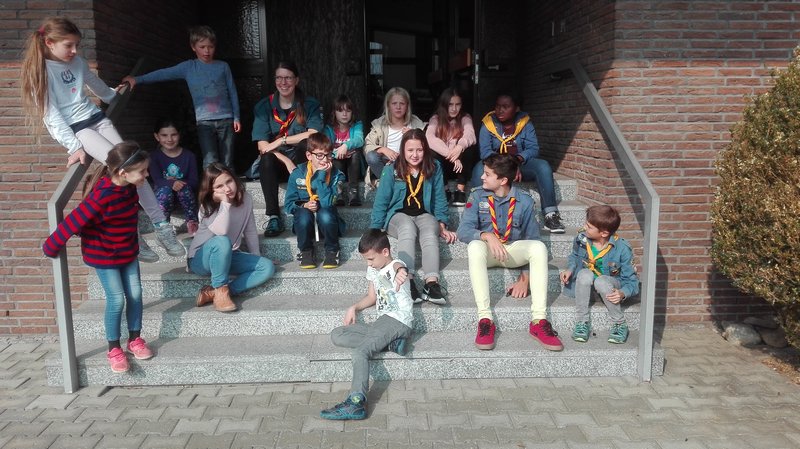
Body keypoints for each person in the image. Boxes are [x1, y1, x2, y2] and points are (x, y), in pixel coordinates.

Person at [20, 17, 185, 263]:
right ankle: (134, 233)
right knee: (126, 169)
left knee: (135, 167)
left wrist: (113, 94)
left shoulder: (77, 62)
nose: (74, 51)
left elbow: (95, 83)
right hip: (79, 130)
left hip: (97, 119)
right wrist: (74, 146)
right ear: (49, 43)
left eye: (76, 45)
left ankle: (161, 226)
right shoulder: (41, 72)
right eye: (68, 45)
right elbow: (50, 115)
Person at [43, 142, 154, 373]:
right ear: (123, 172)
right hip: (104, 255)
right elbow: (74, 221)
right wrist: (51, 246)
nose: (146, 174)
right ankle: (114, 348)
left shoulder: (129, 189)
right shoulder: (102, 196)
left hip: (127, 252)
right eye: (142, 170)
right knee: (117, 299)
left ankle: (134, 339)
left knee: (135, 294)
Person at [457, 153, 563, 351]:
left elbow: (532, 237)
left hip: (512, 252)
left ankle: (539, 321)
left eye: (487, 174)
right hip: (489, 253)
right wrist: (487, 236)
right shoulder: (477, 195)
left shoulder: (524, 200)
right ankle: (485, 319)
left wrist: (524, 278)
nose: (482, 177)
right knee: (474, 246)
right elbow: (463, 231)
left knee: (539, 248)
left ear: (503, 180)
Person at [320, 229, 413, 420]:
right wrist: (354, 307)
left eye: (371, 259)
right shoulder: (373, 269)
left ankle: (356, 403)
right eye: (366, 260)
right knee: (337, 334)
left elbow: (400, 268)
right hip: (383, 323)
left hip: (397, 320)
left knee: (360, 352)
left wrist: (401, 272)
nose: (369, 264)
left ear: (385, 252)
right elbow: (372, 297)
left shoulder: (395, 265)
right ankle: (392, 344)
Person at [121, 26, 241, 170]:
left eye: (210, 47)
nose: (207, 51)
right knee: (210, 160)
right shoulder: (188, 67)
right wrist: (137, 79)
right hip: (204, 121)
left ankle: (231, 184)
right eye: (202, 47)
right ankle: (210, 185)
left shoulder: (223, 66)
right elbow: (163, 73)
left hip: (226, 119)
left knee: (228, 160)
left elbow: (232, 91)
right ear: (193, 47)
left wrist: (236, 117)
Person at [370, 129, 456, 305]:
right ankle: (407, 280)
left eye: (419, 150)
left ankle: (431, 283)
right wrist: (375, 229)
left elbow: (440, 197)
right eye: (410, 150)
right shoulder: (392, 169)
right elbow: (381, 200)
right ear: (403, 150)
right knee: (407, 228)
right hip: (398, 215)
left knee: (430, 231)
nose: (415, 155)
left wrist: (442, 222)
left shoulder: (434, 167)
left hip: (424, 214)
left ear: (425, 149)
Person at [187, 163, 275, 312]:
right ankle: (220, 289)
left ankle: (215, 293)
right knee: (222, 241)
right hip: (200, 260)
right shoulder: (207, 205)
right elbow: (221, 231)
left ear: (235, 179)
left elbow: (250, 230)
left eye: (229, 181)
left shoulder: (246, 198)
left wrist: (256, 257)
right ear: (211, 190)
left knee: (266, 267)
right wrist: (225, 203)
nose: (227, 189)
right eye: (219, 186)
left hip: (228, 256)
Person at [472, 92, 566, 233]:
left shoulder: (524, 122)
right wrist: (509, 164)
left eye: (506, 107)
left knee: (543, 166)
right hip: (495, 164)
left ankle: (550, 214)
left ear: (516, 108)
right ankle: (480, 213)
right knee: (479, 170)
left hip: (520, 163)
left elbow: (533, 148)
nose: (500, 110)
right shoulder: (488, 123)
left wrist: (517, 160)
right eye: (498, 106)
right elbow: (485, 152)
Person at [252, 61, 323, 237]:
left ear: (296, 80)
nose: (283, 82)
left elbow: (313, 134)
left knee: (305, 145)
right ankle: (274, 216)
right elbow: (262, 146)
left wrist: (281, 140)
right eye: (279, 78)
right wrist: (285, 160)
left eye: (288, 78)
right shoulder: (264, 106)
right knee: (266, 159)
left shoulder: (309, 104)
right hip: (278, 166)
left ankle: (305, 207)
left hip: (303, 165)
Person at [560, 205, 639, 344]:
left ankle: (620, 323)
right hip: (586, 289)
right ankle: (582, 322)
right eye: (586, 224)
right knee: (584, 273)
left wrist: (622, 293)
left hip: (608, 288)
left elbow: (632, 282)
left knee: (601, 281)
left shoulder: (622, 248)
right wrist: (570, 269)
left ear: (604, 233)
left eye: (589, 227)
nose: (584, 227)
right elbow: (575, 256)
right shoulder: (581, 239)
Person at [284, 133, 345, 269]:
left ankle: (332, 250)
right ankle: (305, 251)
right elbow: (288, 205)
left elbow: (328, 203)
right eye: (319, 155)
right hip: (305, 225)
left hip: (328, 222)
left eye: (328, 155)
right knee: (303, 215)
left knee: (326, 214)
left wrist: (321, 175)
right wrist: (304, 205)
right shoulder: (297, 174)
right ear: (309, 155)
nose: (325, 159)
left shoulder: (337, 175)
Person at [425, 87, 479, 206]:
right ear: (444, 104)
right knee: (431, 151)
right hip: (444, 166)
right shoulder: (436, 119)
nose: (454, 108)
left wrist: (459, 147)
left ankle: (460, 191)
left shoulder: (465, 117)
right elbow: (429, 138)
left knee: (469, 147)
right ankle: (445, 189)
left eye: (457, 104)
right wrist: (452, 156)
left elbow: (470, 134)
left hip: (461, 168)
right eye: (450, 104)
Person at [149, 118, 199, 236]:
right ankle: (164, 225)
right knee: (165, 191)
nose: (169, 139)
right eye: (164, 135)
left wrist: (179, 183)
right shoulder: (154, 157)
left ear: (179, 135)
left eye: (174, 135)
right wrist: (172, 184)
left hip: (185, 194)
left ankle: (192, 222)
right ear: (157, 136)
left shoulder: (189, 156)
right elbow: (157, 180)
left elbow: (194, 181)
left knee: (184, 189)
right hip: (164, 195)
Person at [364, 87, 425, 183]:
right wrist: (383, 149)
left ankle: (396, 181)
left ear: (407, 106)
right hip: (387, 163)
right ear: (388, 106)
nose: (398, 107)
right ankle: (389, 181)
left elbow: (427, 146)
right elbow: (367, 146)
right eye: (394, 103)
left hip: (408, 162)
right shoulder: (380, 124)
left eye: (402, 103)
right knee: (371, 156)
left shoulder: (415, 123)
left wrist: (414, 135)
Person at [323, 94, 365, 206]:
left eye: (348, 110)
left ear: (352, 112)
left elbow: (359, 140)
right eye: (340, 110)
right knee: (335, 158)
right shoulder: (328, 129)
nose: (344, 114)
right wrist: (337, 153)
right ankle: (338, 191)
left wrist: (345, 146)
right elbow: (325, 147)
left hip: (353, 167)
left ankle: (353, 191)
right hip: (337, 164)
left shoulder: (357, 125)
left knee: (355, 154)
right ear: (334, 112)